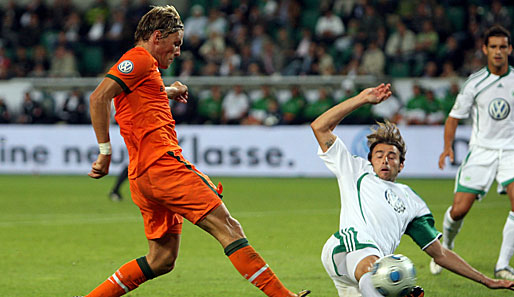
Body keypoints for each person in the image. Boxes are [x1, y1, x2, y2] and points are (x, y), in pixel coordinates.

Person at [83, 5, 309, 297]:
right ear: (156, 36)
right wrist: (104, 151)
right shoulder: (137, 59)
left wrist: (168, 92)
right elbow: (99, 97)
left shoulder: (144, 69)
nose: (178, 52)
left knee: (161, 259)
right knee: (228, 226)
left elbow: (137, 94)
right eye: (175, 44)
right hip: (162, 165)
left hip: (142, 177)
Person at [310, 83, 514, 297]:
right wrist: (362, 99)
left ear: (401, 164)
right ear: (370, 160)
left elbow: (440, 254)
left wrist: (487, 281)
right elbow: (320, 127)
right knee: (385, 274)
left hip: (368, 267)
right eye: (379, 156)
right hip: (345, 249)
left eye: (392, 156)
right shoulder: (355, 170)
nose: (385, 160)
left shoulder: (411, 201)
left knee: (380, 275)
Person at [430, 25, 514, 280]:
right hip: (481, 152)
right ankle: (446, 248)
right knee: (459, 210)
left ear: (510, 49)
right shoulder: (475, 83)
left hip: (511, 151)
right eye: (494, 47)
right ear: (485, 49)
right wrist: (447, 148)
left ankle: (502, 264)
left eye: (503, 47)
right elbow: (453, 117)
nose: (498, 52)